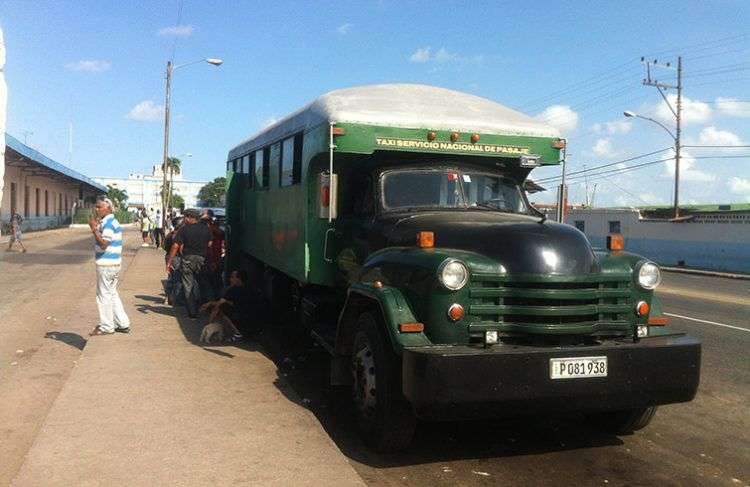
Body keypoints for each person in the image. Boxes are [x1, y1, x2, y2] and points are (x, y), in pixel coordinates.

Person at [89, 198, 130, 336]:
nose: (96, 209)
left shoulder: (108, 224)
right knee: (112, 294)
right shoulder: (112, 222)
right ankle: (122, 323)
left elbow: (104, 244)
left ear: (107, 208)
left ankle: (107, 326)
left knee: (103, 296)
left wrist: (94, 230)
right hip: (113, 264)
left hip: (106, 265)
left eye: (99, 207)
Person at [167, 209, 212, 319]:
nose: (184, 220)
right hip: (202, 259)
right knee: (205, 284)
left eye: (185, 217)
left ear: (189, 218)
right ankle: (210, 308)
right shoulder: (206, 229)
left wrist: (169, 261)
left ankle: (193, 313)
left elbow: (175, 246)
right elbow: (210, 244)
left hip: (187, 260)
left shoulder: (184, 230)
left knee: (188, 286)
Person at [200, 269, 252, 342]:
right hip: (251, 318)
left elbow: (219, 304)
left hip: (241, 317)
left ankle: (237, 334)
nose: (230, 279)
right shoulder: (250, 289)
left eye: (232, 277)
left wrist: (209, 322)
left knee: (220, 308)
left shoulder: (233, 290)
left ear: (238, 279)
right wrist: (210, 303)